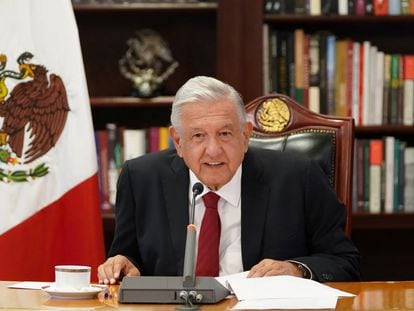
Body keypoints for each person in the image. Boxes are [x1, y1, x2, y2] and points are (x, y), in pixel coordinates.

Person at [97, 76, 360, 284]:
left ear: (245, 136)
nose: (213, 150)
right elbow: (128, 259)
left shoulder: (298, 178)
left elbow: (344, 262)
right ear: (178, 141)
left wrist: (296, 269)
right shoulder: (141, 179)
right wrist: (123, 266)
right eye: (198, 136)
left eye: (224, 134)